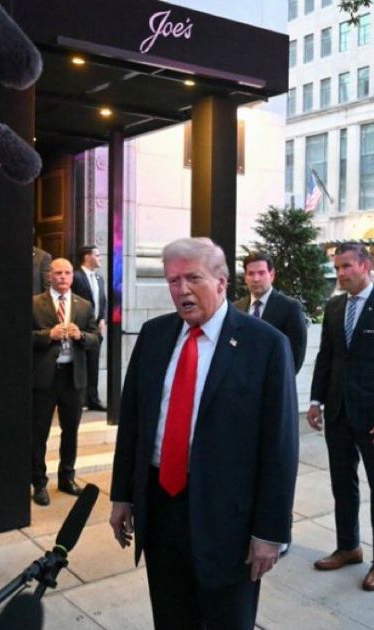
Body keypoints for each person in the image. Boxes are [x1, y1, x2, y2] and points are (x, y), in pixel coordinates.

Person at [108, 237, 298, 629]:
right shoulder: (154, 335)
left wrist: (270, 531)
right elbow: (133, 423)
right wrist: (123, 495)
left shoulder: (265, 345)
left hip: (229, 518)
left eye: (193, 278)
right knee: (172, 615)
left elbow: (279, 447)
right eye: (173, 280)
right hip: (161, 508)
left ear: (223, 282)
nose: (181, 290)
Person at [308, 242, 374, 591]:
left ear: (365, 266)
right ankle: (349, 546)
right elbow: (326, 356)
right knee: (343, 483)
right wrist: (315, 400)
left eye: (346, 267)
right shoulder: (335, 305)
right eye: (337, 267)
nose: (340, 273)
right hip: (338, 411)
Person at [30, 258, 99, 506]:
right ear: (49, 275)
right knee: (39, 433)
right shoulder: (35, 303)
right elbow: (22, 338)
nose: (62, 277)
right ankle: (38, 482)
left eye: (67, 273)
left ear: (72, 276)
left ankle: (67, 478)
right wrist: (49, 335)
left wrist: (82, 336)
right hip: (44, 378)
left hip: (73, 377)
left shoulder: (84, 305)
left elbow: (96, 337)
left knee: (71, 431)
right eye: (57, 273)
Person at [233, 252, 308, 373]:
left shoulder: (290, 307)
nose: (256, 279)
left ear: (272, 275)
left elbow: (296, 353)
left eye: (261, 273)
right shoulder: (237, 308)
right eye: (251, 274)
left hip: (274, 383)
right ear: (245, 278)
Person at [72, 245, 107, 411]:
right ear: (87, 257)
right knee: (80, 364)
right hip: (79, 329)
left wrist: (103, 320)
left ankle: (93, 400)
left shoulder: (100, 278)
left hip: (96, 330)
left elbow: (103, 302)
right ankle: (79, 400)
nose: (100, 258)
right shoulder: (76, 277)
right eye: (97, 255)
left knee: (93, 365)